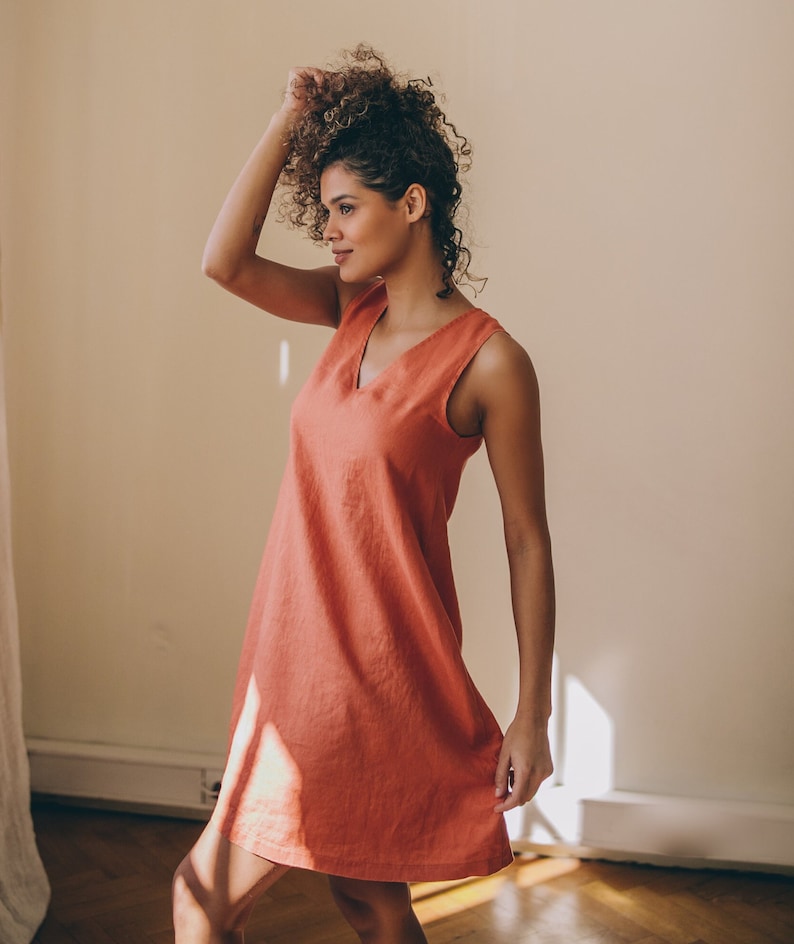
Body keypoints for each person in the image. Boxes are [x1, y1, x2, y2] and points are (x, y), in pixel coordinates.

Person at [172, 46, 555, 944]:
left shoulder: (492, 363)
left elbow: (527, 539)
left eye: (347, 208)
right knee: (371, 902)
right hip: (292, 655)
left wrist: (532, 715)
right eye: (327, 210)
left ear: (412, 203)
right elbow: (224, 262)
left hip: (371, 677)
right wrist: (286, 121)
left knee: (201, 897)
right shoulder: (353, 308)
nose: (332, 232)